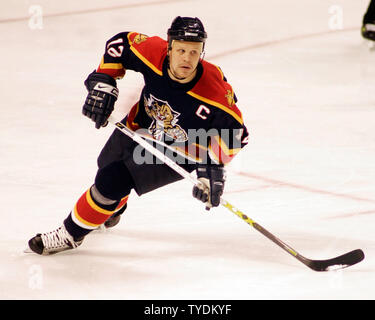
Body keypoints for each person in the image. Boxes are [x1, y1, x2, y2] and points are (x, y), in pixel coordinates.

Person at [27, 16, 249, 255]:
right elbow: (121, 44)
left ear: (202, 52)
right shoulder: (153, 53)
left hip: (179, 150)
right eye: (182, 50)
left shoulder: (214, 90)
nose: (187, 58)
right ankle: (111, 208)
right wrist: (105, 80)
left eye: (194, 52)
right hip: (138, 127)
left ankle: (70, 234)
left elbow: (237, 133)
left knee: (110, 182)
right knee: (105, 167)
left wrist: (212, 167)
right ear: (170, 47)